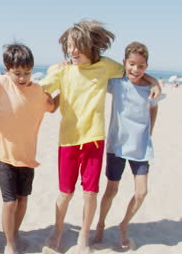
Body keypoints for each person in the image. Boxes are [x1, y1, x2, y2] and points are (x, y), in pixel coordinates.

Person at [40, 20, 161, 254]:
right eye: (69, 46)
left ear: (91, 46)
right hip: (68, 140)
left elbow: (133, 72)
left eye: (78, 46)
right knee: (65, 193)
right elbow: (38, 91)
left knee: (90, 193)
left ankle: (84, 236)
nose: (72, 51)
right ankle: (57, 230)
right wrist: (48, 88)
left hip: (95, 140)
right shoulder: (63, 71)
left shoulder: (106, 66)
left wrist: (155, 81)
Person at [0, 43, 54, 254]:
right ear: (7, 70)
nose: (22, 77)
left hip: (27, 156)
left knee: (23, 200)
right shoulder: (1, 82)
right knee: (10, 201)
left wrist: (56, 96)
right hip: (4, 155)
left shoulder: (39, 92)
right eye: (17, 73)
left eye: (27, 72)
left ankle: (14, 233)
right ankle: (10, 244)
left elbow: (53, 106)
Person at [93, 42, 159, 249]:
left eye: (141, 66)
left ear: (146, 67)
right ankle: (101, 223)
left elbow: (153, 110)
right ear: (124, 63)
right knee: (111, 190)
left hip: (141, 148)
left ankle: (124, 224)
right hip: (117, 147)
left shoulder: (150, 89)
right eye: (132, 64)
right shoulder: (117, 83)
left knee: (142, 192)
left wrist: (149, 133)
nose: (135, 70)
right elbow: (99, 69)